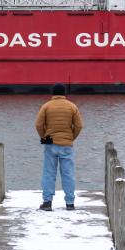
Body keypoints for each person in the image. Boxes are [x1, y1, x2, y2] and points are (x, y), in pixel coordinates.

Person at [35, 83, 83, 211]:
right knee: (68, 174)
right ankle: (70, 203)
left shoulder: (46, 106)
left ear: (53, 94)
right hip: (67, 144)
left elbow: (38, 125)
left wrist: (45, 138)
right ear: (64, 94)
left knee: (49, 173)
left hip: (50, 142)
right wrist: (71, 138)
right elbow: (79, 126)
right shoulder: (72, 106)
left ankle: (47, 202)